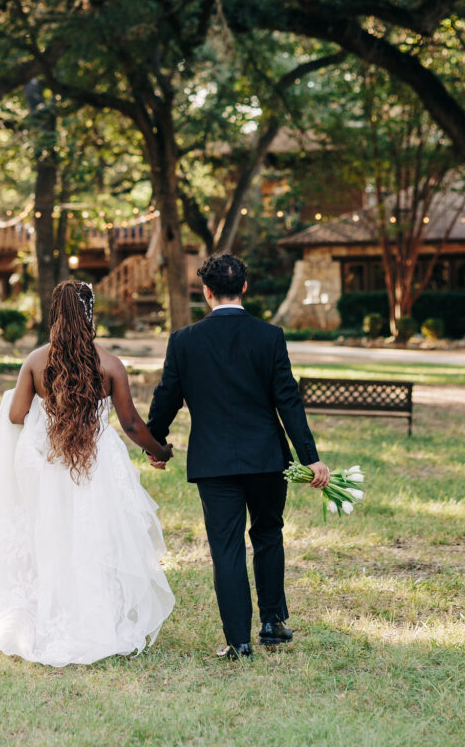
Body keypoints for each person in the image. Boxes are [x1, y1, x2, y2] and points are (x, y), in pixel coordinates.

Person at [0, 280, 175, 666]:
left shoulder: (36, 361)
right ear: (90, 314)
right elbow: (130, 424)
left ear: (54, 314)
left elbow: (15, 416)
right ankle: (92, 614)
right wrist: (160, 450)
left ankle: (45, 612)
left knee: (48, 533)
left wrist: (46, 409)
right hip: (94, 466)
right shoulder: (109, 364)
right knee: (93, 535)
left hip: (46, 463)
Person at [146, 252, 330, 660]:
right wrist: (311, 457)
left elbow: (166, 400)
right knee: (268, 535)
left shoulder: (184, 340)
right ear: (244, 287)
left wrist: (155, 445)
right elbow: (289, 401)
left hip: (214, 464)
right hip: (266, 459)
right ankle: (272, 623)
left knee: (226, 548)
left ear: (205, 291)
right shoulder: (270, 336)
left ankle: (238, 641)